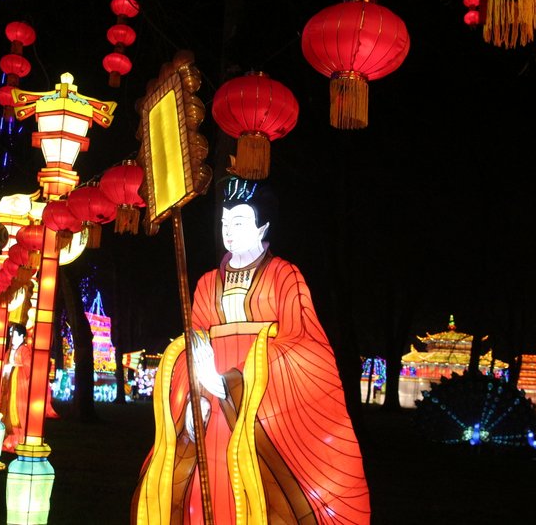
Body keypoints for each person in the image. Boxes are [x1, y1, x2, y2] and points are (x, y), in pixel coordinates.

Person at [132, 178, 370, 524]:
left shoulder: (284, 276)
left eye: (240, 222)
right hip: (211, 405)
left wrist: (236, 381)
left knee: (257, 488)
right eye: (225, 222)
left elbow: (302, 344)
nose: (229, 231)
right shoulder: (207, 283)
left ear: (263, 227)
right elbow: (193, 343)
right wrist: (196, 396)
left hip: (261, 408)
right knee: (204, 486)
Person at [0, 323, 31, 452]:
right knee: (8, 410)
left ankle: (21, 438)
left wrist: (15, 368)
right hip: (9, 384)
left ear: (22, 336)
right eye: (11, 334)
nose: (12, 337)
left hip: (19, 386)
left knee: (19, 411)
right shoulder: (10, 350)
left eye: (15, 334)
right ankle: (11, 438)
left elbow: (28, 367)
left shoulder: (25, 350)